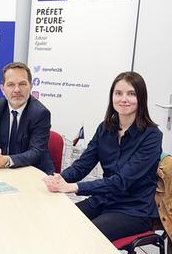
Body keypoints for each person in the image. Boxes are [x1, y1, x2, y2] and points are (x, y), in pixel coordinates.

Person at [43, 71, 162, 241]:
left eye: (131, 94)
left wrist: (74, 187)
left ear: (141, 98)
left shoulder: (152, 136)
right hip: (103, 200)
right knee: (60, 222)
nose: (124, 99)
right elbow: (83, 165)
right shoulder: (105, 128)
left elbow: (122, 182)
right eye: (118, 93)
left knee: (86, 235)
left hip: (133, 210)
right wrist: (59, 179)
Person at [0, 62, 54, 175]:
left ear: (31, 85)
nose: (17, 90)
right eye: (10, 85)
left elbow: (36, 152)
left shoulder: (40, 113)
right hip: (1, 170)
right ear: (2, 88)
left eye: (22, 84)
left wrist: (5, 161)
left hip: (33, 171)